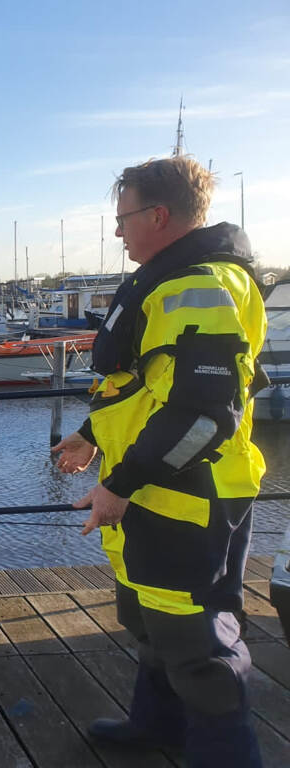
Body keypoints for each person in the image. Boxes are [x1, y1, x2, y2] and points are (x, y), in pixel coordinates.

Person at [52, 156, 267, 768]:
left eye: (123, 218)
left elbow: (202, 414)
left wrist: (120, 483)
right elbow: (147, 387)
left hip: (190, 494)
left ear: (159, 215)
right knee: (151, 618)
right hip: (157, 490)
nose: (118, 231)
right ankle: (158, 725)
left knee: (197, 642)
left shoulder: (198, 287)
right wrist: (92, 434)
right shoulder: (171, 281)